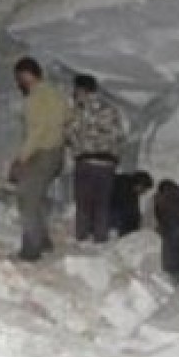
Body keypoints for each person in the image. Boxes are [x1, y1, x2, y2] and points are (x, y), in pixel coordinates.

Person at [8, 57, 70, 261]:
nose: (19, 83)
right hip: (55, 153)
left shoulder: (37, 96)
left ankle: (31, 249)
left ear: (26, 75)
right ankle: (43, 241)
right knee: (36, 196)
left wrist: (20, 158)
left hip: (42, 153)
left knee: (27, 198)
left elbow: (37, 130)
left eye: (19, 78)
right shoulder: (55, 94)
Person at [65, 74, 126, 243]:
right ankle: (101, 240)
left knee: (83, 204)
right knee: (102, 204)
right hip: (107, 163)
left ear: (80, 89)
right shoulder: (111, 108)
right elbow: (120, 136)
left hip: (86, 161)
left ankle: (82, 238)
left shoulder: (79, 109)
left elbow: (69, 134)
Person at [109, 170, 154, 236]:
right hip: (111, 216)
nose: (144, 192)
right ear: (139, 185)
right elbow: (128, 209)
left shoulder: (130, 189)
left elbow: (134, 211)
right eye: (144, 189)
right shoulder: (123, 188)